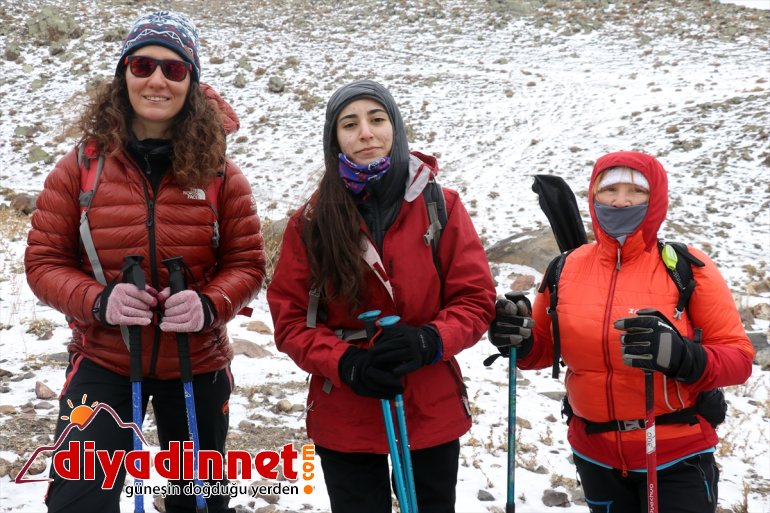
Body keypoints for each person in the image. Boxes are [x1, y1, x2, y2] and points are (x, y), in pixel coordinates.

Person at [24, 11, 265, 513]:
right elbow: (44, 262)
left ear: (192, 83)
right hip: (104, 358)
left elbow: (246, 263)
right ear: (123, 75)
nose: (157, 80)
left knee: (197, 505)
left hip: (196, 363)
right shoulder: (80, 169)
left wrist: (208, 303)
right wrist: (99, 300)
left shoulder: (222, 174)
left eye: (174, 70)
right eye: (142, 65)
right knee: (79, 502)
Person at [266, 79, 496, 513]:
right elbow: (291, 320)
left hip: (429, 401)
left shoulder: (439, 204)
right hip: (346, 407)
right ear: (334, 138)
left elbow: (475, 298)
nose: (365, 133)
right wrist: (345, 362)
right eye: (349, 124)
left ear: (396, 127)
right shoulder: (311, 222)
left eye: (377, 119)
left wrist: (431, 339)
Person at [489, 151, 755, 513]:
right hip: (595, 454)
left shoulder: (687, 268)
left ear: (656, 197)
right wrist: (517, 338)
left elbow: (739, 359)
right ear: (593, 196)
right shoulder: (565, 267)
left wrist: (682, 357)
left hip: (677, 454)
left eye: (636, 191)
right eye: (609, 189)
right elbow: (541, 353)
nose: (621, 200)